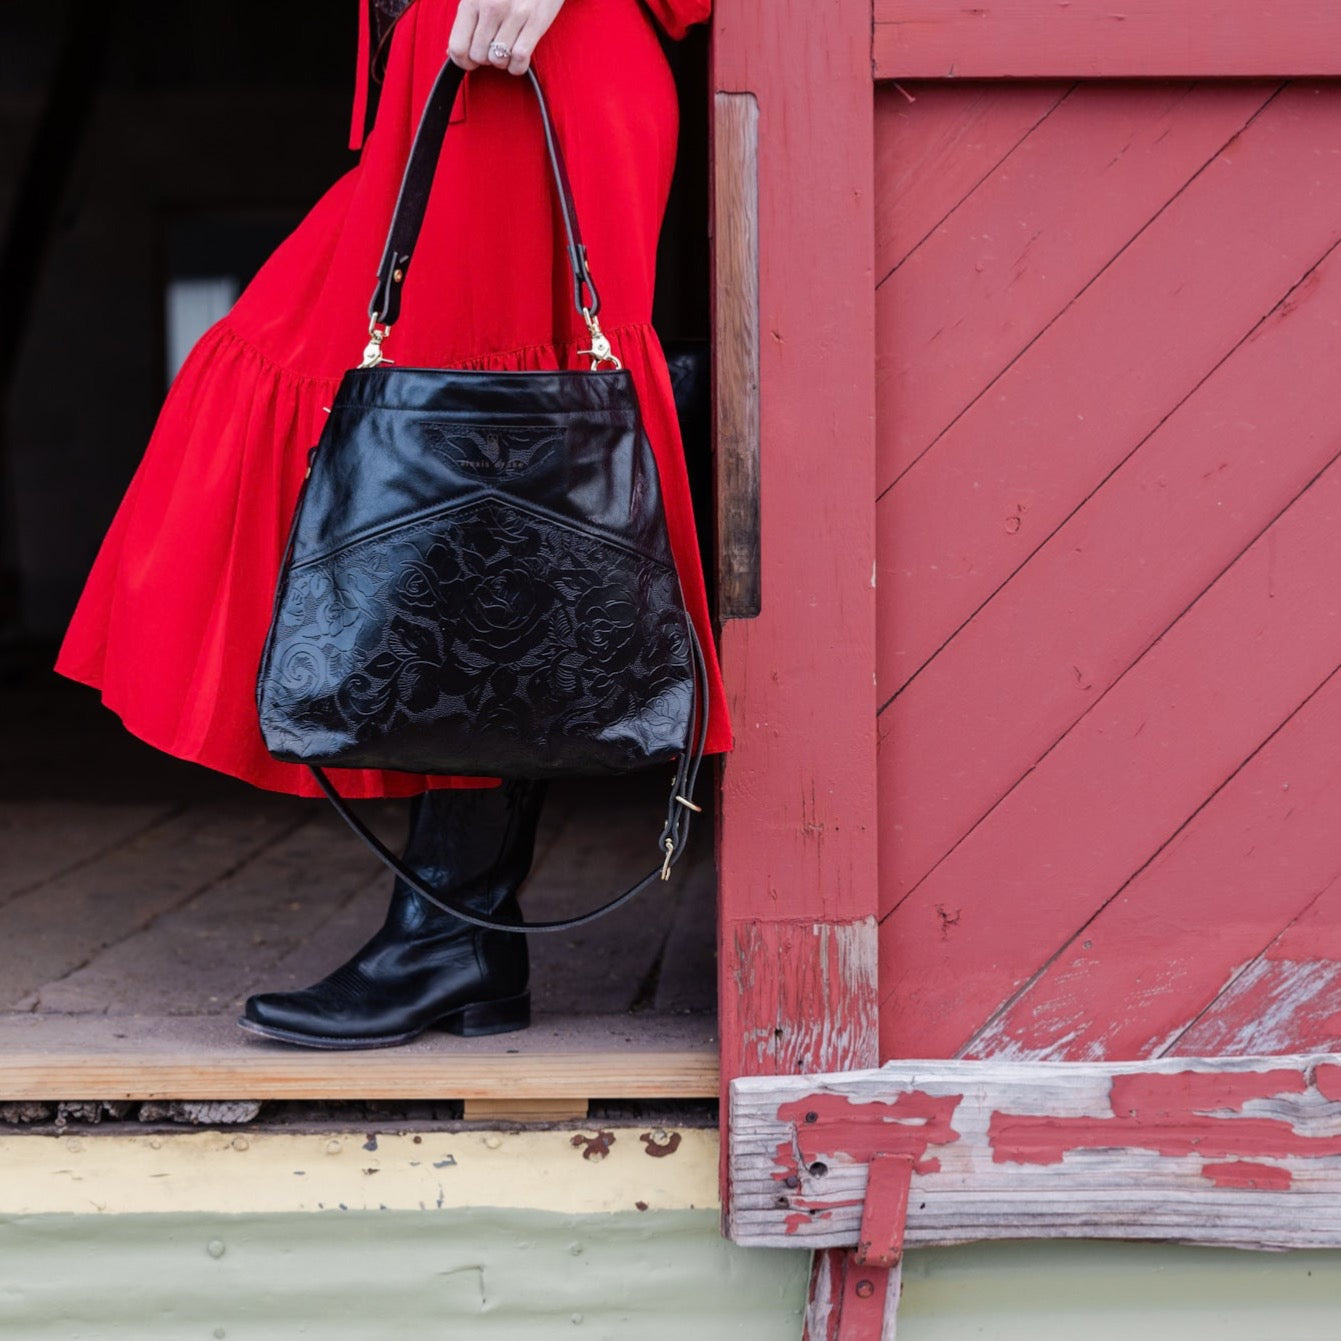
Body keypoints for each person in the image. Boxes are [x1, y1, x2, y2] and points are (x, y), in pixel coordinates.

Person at [54, 0, 731, 1049]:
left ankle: (449, 929)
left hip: (537, 53)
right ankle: (462, 937)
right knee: (456, 478)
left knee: (481, 487)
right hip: (452, 70)